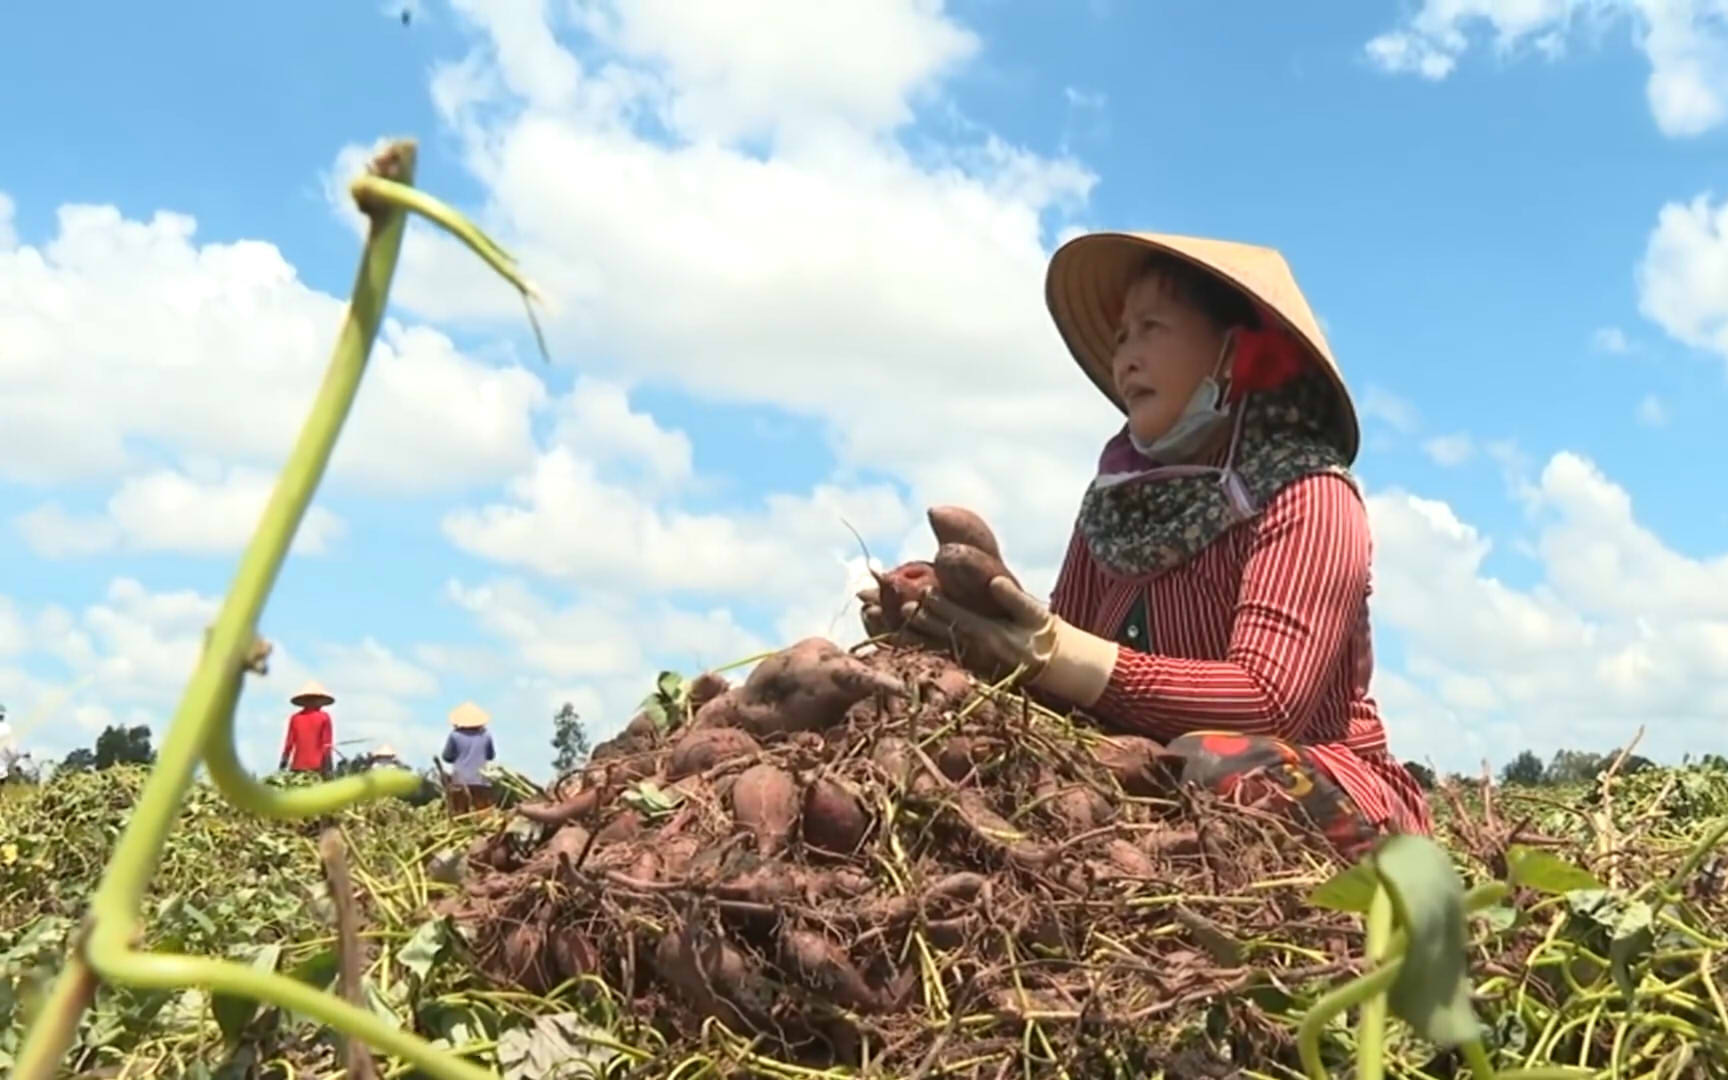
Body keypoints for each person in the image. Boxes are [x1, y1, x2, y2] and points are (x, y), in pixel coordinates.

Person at [862, 231, 1431, 859]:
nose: (1126, 356)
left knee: (1223, 765)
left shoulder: (1310, 496)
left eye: (1152, 328)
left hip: (1307, 781)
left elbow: (1268, 702)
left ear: (1233, 353)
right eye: (1122, 336)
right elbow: (1065, 676)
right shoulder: (1111, 507)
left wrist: (1057, 653)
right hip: (1136, 771)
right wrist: (974, 623)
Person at [441, 701, 497, 814]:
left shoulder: (454, 735)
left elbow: (447, 757)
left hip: (460, 782)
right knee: (481, 814)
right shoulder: (486, 735)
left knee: (460, 814)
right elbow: (491, 756)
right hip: (481, 782)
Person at [279, 681, 335, 777]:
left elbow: (289, 744)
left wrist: (283, 762)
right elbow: (327, 744)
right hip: (318, 767)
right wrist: (329, 768)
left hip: (297, 767)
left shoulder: (295, 718)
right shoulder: (324, 717)